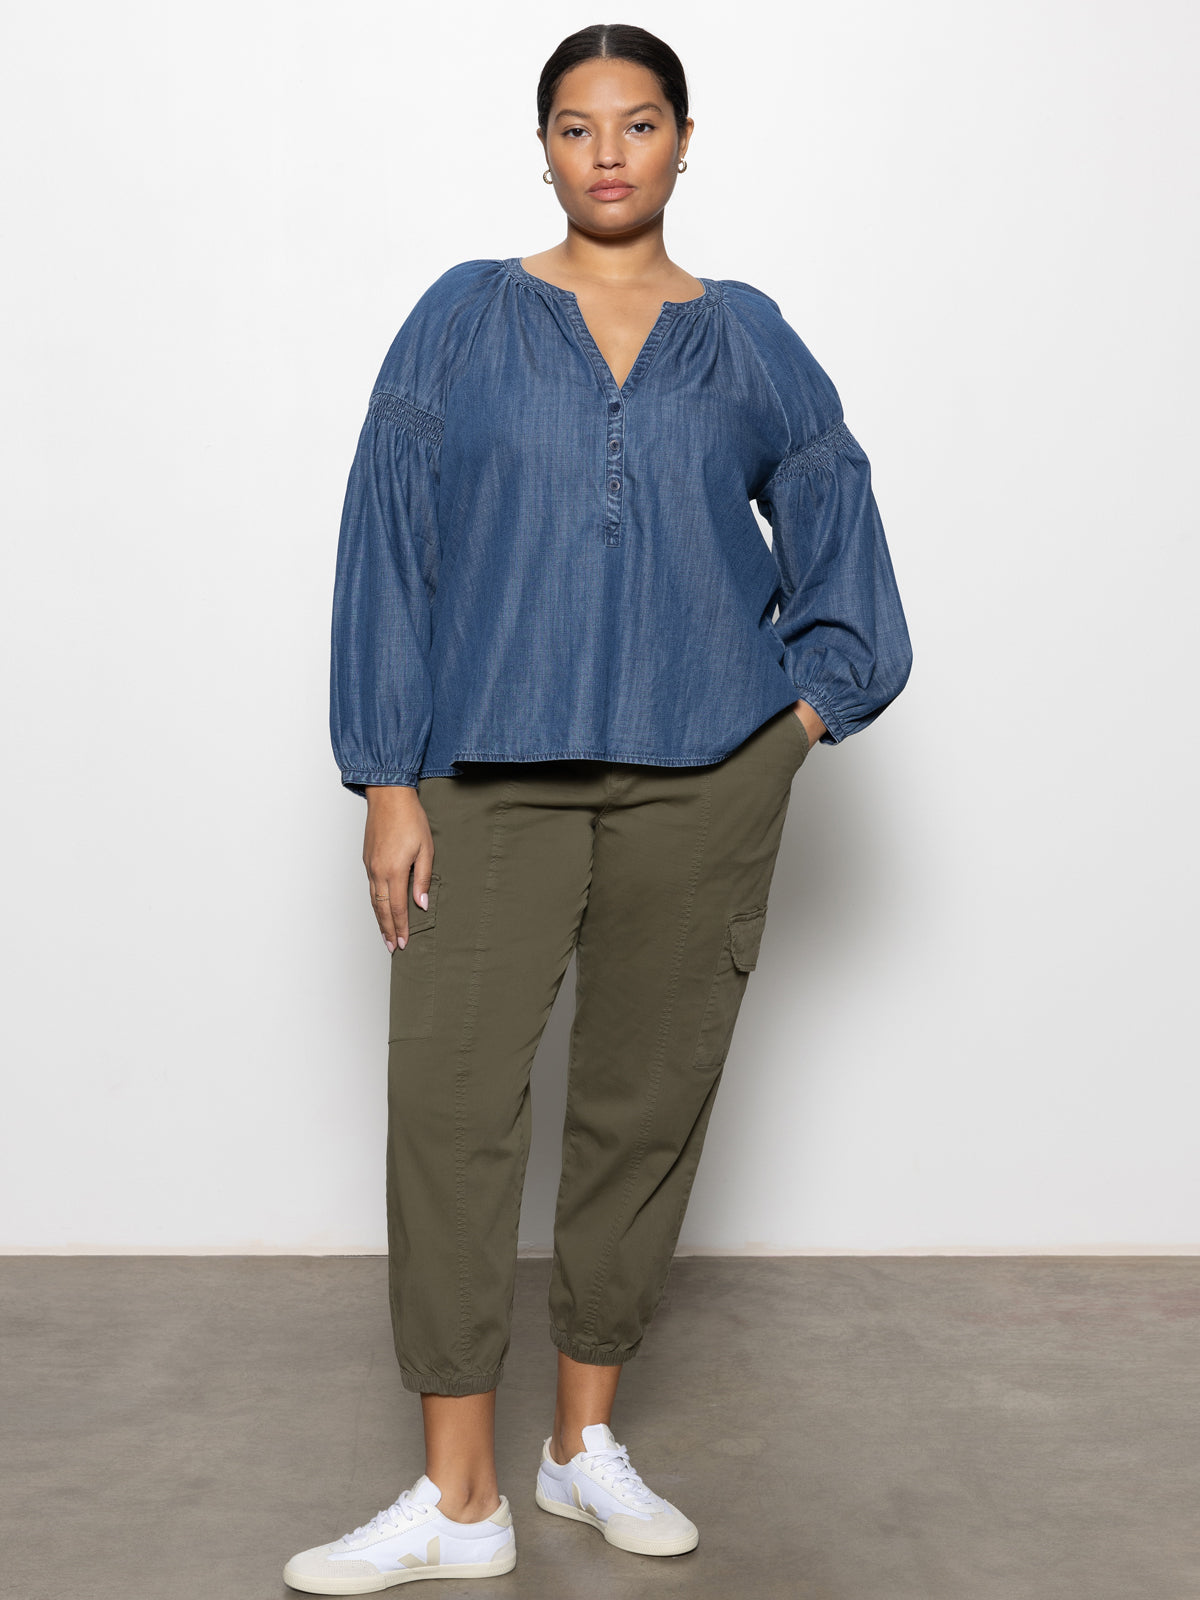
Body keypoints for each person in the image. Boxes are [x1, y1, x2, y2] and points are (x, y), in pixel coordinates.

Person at [284, 21, 912, 1595]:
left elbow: (834, 503)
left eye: (640, 123)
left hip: (701, 784)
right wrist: (385, 775)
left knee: (641, 1114)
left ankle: (581, 1448)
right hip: (482, 787)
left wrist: (810, 706)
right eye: (579, 126)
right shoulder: (462, 320)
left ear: (686, 142)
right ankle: (456, 1498)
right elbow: (388, 539)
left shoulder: (749, 333)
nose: (611, 151)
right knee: (450, 1123)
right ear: (545, 148)